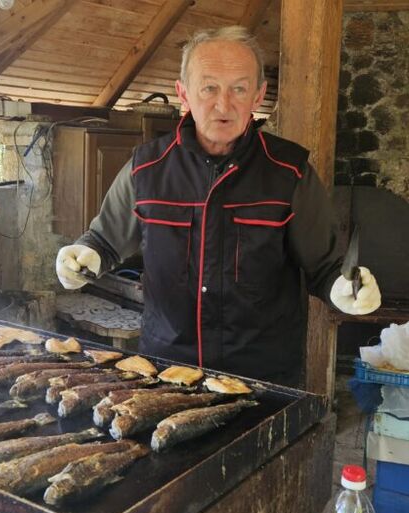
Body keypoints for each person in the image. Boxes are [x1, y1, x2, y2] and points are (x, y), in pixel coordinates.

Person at [55, 26, 381, 388]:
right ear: (184, 94)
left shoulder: (289, 172)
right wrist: (82, 256)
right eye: (209, 87)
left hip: (263, 377)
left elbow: (325, 266)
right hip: (165, 370)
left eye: (239, 89)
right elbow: (104, 242)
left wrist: (344, 288)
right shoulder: (146, 168)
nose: (223, 105)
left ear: (258, 96)